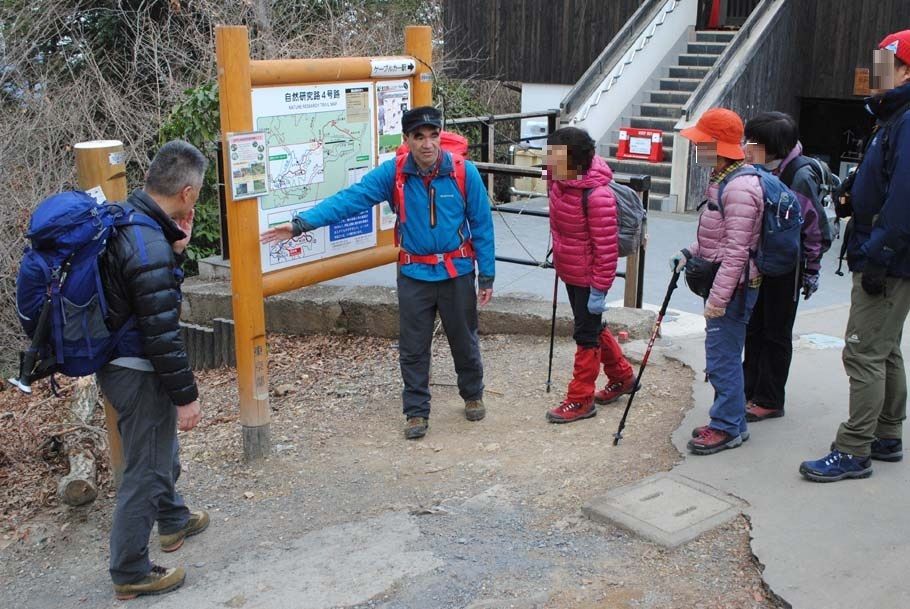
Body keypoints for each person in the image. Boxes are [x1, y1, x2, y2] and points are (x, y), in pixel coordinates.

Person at [260, 106, 495, 440]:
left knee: (464, 338)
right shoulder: (394, 174)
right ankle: (416, 412)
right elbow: (350, 200)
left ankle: (472, 393)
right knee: (413, 347)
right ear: (407, 140)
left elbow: (482, 224)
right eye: (419, 137)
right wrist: (301, 224)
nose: (427, 144)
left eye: (433, 136)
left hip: (456, 271)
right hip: (414, 273)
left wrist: (486, 275)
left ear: (440, 137)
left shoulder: (462, 172)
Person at [98, 140, 208, 599]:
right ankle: (130, 570)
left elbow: (142, 294)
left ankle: (173, 518)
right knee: (147, 465)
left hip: (120, 362)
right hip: (136, 369)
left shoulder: (134, 222)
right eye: (196, 195)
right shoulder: (148, 244)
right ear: (186, 193)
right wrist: (186, 396)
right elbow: (161, 335)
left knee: (158, 449)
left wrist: (176, 251)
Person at [800, 31, 910, 482]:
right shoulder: (893, 115)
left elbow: (904, 198)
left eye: (886, 61)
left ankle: (854, 449)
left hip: (889, 255)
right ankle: (886, 434)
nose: (875, 69)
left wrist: (878, 255)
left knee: (863, 351)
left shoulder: (904, 119)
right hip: (890, 252)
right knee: (884, 350)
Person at [670, 107, 763, 455]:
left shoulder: (738, 188)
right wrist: (689, 252)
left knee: (722, 357)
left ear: (718, 146)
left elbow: (737, 252)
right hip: (729, 284)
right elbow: (720, 238)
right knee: (723, 354)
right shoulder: (727, 179)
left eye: (700, 143)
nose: (696, 149)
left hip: (733, 289)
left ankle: (725, 427)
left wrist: (718, 300)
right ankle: (734, 422)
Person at [543, 127, 635, 424]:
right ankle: (622, 376)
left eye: (555, 158)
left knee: (586, 333)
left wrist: (599, 290)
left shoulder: (598, 196)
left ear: (576, 162)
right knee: (593, 327)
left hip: (589, 277)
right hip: (569, 268)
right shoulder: (559, 179)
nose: (549, 163)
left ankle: (581, 399)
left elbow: (606, 250)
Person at [741, 112, 825, 422]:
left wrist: (811, 270)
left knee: (776, 334)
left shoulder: (799, 176)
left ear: (774, 147)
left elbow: (817, 230)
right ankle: (748, 388)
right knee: (754, 327)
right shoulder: (762, 168)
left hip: (788, 266)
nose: (747, 147)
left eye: (754, 143)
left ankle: (770, 399)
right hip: (762, 261)